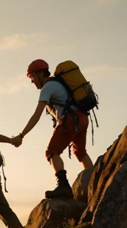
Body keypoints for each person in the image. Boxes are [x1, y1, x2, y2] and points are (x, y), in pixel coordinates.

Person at [13, 59, 93, 199]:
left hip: (70, 120)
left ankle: (63, 186)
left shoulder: (48, 87)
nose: (32, 81)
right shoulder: (58, 83)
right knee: (80, 152)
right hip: (82, 118)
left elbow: (36, 116)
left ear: (40, 73)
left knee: (52, 152)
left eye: (32, 77)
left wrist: (21, 135)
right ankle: (93, 179)